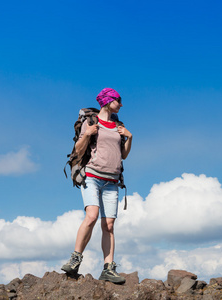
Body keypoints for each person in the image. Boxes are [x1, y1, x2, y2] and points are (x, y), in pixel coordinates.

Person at [61, 88, 132, 284]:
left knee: (108, 225)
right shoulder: (91, 122)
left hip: (112, 181)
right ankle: (75, 259)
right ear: (108, 101)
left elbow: (123, 155)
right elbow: (78, 149)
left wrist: (129, 137)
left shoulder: (119, 125)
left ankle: (108, 267)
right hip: (92, 176)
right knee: (91, 216)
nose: (121, 104)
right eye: (118, 100)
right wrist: (86, 135)